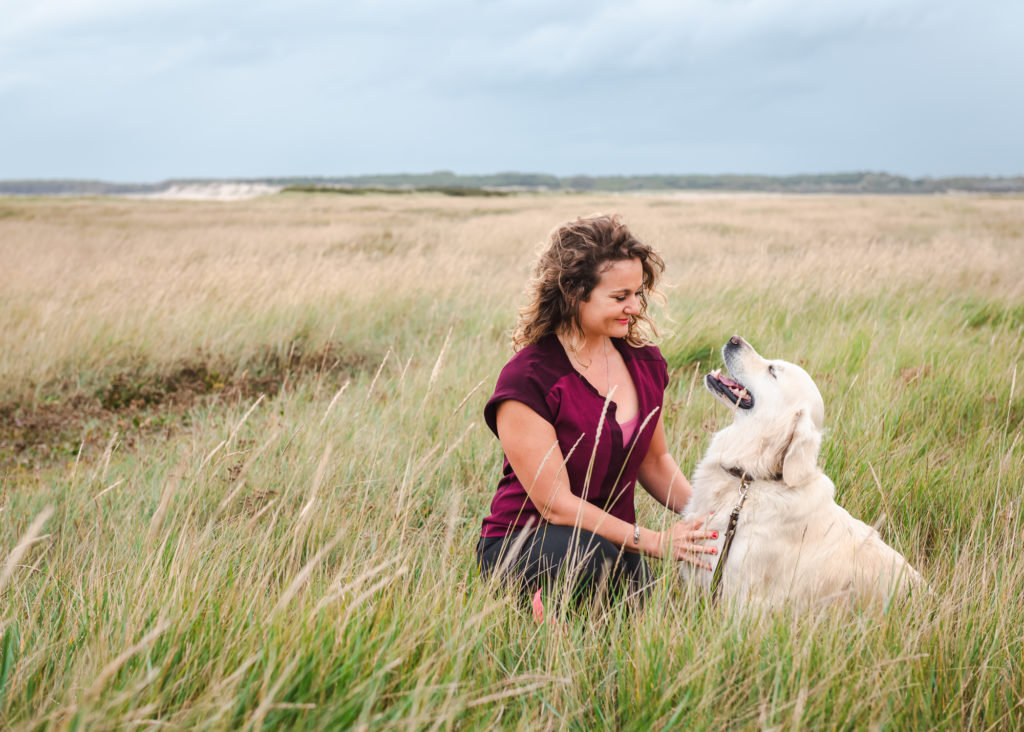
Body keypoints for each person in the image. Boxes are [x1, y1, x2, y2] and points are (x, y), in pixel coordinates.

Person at [475, 213, 717, 611]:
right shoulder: (528, 380)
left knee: (635, 595)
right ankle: (536, 617)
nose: (635, 307)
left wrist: (712, 516)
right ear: (574, 293)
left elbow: (655, 461)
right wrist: (656, 541)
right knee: (596, 560)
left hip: (617, 543)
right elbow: (556, 504)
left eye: (638, 293)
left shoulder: (646, 363)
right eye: (620, 297)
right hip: (525, 543)